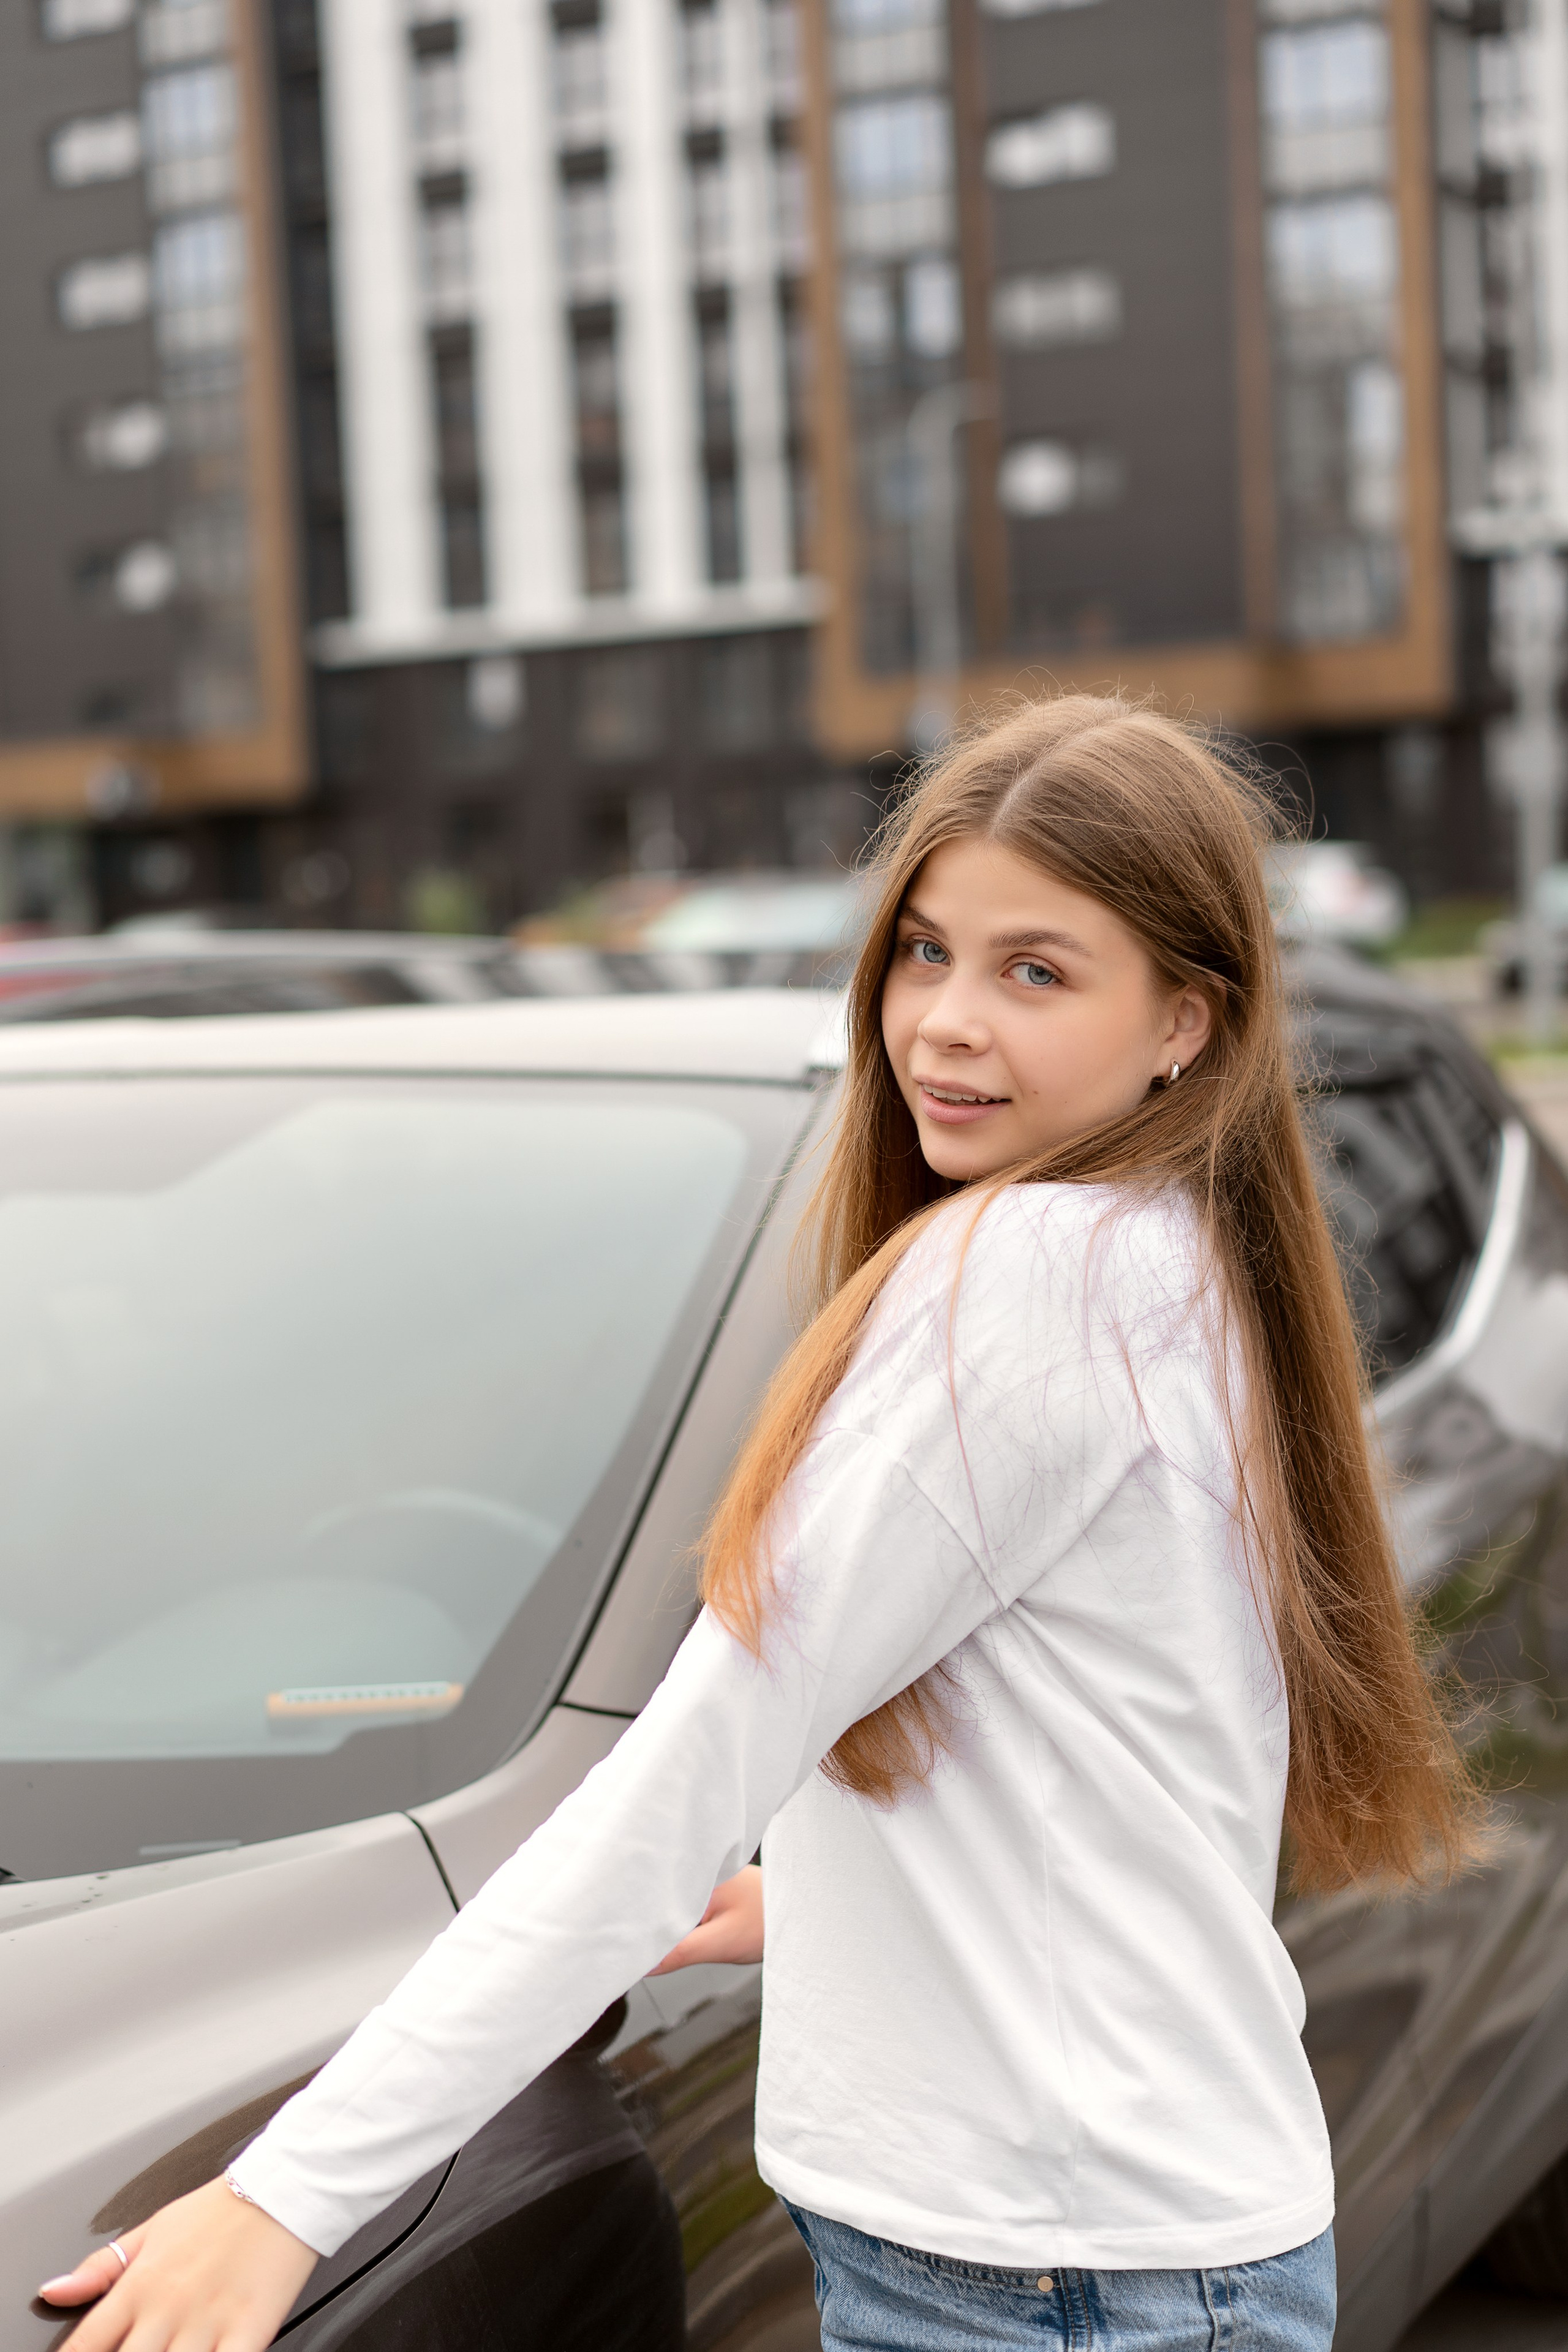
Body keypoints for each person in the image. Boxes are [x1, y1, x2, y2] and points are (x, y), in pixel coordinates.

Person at [41, 695, 1479, 2352]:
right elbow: (1133, 1750)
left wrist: (280, 2202)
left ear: (1187, 1026)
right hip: (1107, 2255)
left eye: (1037, 971)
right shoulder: (1160, 1251)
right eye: (926, 950)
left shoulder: (1030, 1283)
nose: (941, 1023)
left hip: (1062, 2290)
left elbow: (677, 1776)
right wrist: (847, 1889)